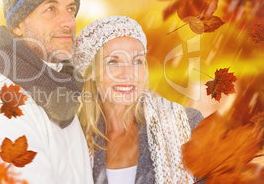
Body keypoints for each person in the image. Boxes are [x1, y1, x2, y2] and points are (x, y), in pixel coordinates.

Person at [0, 0, 93, 184]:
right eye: (51, 9)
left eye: (71, 9)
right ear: (18, 25)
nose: (69, 22)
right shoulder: (1, 103)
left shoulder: (65, 91)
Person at [72, 16, 204, 184]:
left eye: (137, 61)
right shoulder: (74, 139)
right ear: (90, 72)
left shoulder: (187, 125)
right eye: (113, 62)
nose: (129, 73)